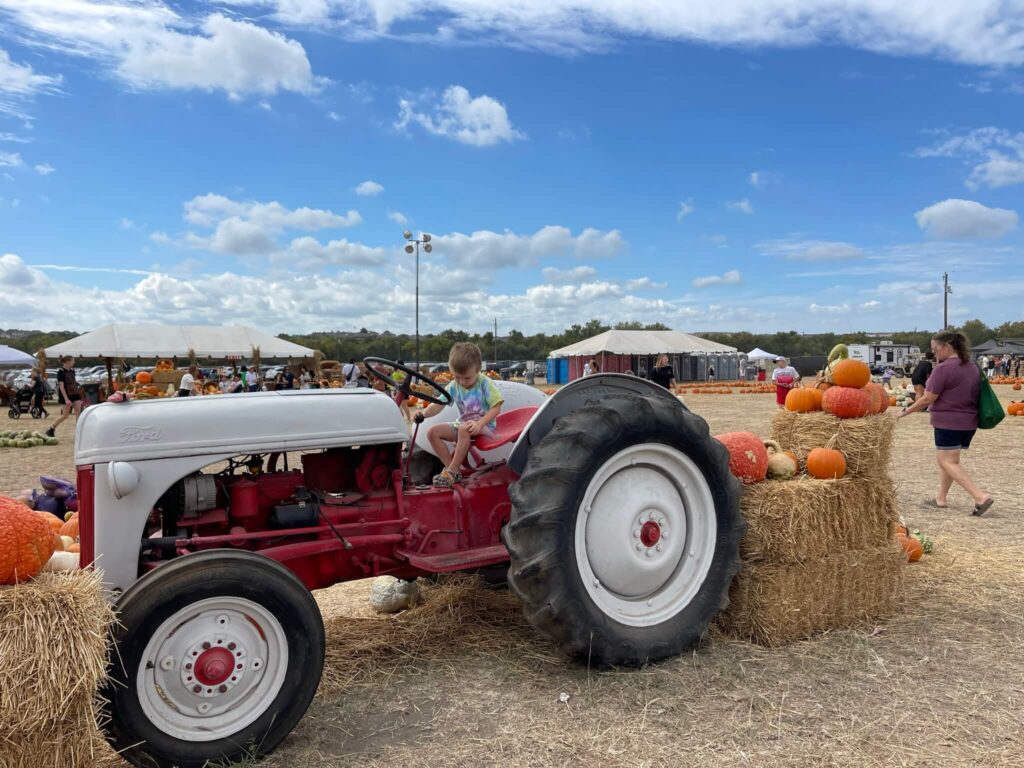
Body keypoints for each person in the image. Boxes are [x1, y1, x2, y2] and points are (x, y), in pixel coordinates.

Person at [897, 331, 993, 516]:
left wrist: (905, 412)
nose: (934, 353)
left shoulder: (943, 369)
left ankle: (980, 497)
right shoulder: (972, 366)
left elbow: (927, 399)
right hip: (968, 422)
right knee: (951, 461)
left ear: (947, 347)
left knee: (945, 461)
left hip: (948, 422)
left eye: (935, 349)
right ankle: (940, 498)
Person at [415, 342, 504, 489]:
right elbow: (438, 405)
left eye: (467, 378)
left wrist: (480, 423)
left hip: (484, 426)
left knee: (463, 429)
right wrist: (423, 413)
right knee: (432, 432)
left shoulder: (485, 384)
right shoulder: (453, 386)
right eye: (457, 377)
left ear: (478, 369)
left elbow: (496, 407)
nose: (462, 382)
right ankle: (452, 469)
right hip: (463, 425)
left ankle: (451, 471)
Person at [47, 356, 83, 437]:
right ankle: (51, 428)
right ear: (67, 361)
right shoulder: (61, 372)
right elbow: (61, 387)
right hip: (66, 395)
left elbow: (73, 383)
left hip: (75, 394)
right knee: (65, 415)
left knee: (78, 413)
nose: (74, 362)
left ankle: (79, 433)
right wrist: (66, 399)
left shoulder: (72, 371)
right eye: (73, 361)